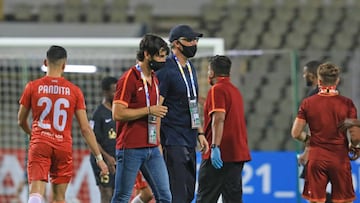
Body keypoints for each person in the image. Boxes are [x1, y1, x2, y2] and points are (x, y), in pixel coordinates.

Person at [17, 45, 109, 203]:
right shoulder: (74, 91)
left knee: (36, 192)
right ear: (64, 65)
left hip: (40, 142)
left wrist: (33, 134)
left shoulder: (32, 87)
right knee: (59, 198)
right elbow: (86, 129)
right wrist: (99, 158)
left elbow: (21, 120)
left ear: (45, 62)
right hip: (63, 146)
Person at [111, 33, 171, 203]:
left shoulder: (155, 80)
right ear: (146, 54)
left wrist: (157, 142)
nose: (163, 60)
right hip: (130, 148)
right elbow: (117, 113)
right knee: (122, 197)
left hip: (152, 148)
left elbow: (156, 113)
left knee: (165, 196)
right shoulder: (129, 78)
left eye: (164, 56)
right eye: (160, 56)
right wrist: (149, 110)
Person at [155, 24, 209, 203]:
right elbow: (157, 107)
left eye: (196, 40)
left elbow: (192, 102)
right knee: (176, 194)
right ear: (177, 44)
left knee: (187, 194)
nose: (194, 43)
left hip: (189, 138)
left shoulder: (191, 68)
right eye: (190, 40)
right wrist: (156, 142)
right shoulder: (166, 68)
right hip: (172, 139)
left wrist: (200, 132)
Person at [291, 62, 356, 203]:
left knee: (315, 200)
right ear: (337, 81)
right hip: (339, 157)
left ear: (319, 81)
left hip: (317, 157)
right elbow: (356, 136)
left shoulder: (308, 102)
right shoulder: (347, 104)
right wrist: (355, 147)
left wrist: (309, 141)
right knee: (344, 200)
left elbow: (296, 133)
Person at [196, 55, 251, 203]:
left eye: (208, 70)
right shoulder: (234, 91)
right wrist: (197, 100)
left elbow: (219, 118)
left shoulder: (216, 90)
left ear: (212, 73)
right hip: (236, 155)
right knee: (232, 199)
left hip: (220, 155)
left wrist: (215, 147)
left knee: (205, 198)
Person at [89, 76, 118, 203]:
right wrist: (107, 157)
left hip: (117, 159)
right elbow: (92, 140)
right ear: (105, 92)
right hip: (103, 160)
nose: (116, 94)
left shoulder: (119, 111)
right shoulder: (98, 114)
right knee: (107, 193)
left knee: (118, 194)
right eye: (113, 91)